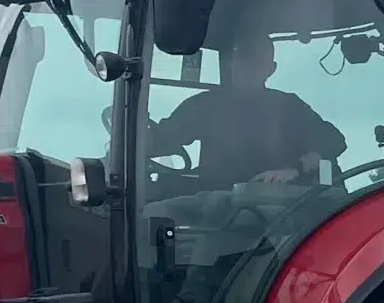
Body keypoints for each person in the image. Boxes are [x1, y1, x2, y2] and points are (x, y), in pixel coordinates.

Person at [148, 31, 346, 191]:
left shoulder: (288, 107)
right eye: (241, 57)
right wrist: (140, 137)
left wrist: (295, 169)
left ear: (271, 68)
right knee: (155, 211)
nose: (244, 65)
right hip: (213, 208)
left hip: (272, 211)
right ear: (232, 62)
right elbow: (163, 138)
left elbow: (334, 141)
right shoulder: (205, 105)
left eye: (254, 60)